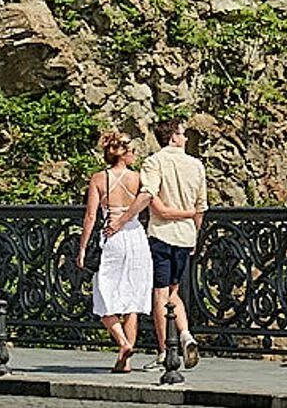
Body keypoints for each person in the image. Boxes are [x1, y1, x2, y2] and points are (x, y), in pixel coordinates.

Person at [79, 132, 155, 372]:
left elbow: (91, 216)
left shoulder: (99, 179)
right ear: (122, 153)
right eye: (131, 150)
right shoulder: (137, 178)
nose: (134, 154)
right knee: (132, 299)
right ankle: (127, 359)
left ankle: (123, 344)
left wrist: (82, 248)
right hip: (136, 236)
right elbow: (148, 199)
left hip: (113, 237)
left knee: (103, 296)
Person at [143, 115, 207, 368]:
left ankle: (164, 351)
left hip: (161, 234)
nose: (186, 137)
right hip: (185, 235)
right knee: (174, 291)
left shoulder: (153, 162)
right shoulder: (196, 165)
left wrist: (176, 213)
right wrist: (195, 230)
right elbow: (201, 207)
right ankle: (186, 335)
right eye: (182, 133)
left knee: (160, 294)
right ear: (173, 137)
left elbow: (157, 208)